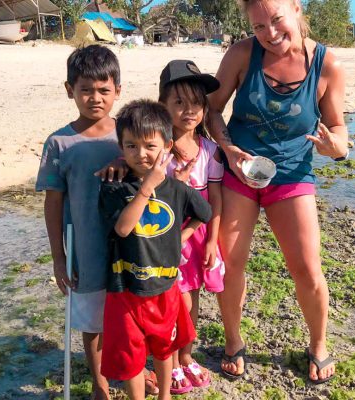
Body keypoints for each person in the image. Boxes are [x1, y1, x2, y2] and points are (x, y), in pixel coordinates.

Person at [207, 0, 348, 384]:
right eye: (258, 27)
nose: (269, 33)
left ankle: (318, 344)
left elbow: (338, 128)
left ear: (297, 9)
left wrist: (336, 147)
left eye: (276, 20)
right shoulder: (240, 55)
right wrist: (230, 150)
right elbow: (212, 110)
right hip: (240, 171)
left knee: (306, 267)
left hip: (292, 174)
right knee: (230, 263)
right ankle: (233, 341)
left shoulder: (327, 65)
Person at [35, 45, 157, 399]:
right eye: (85, 89)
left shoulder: (130, 135)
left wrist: (125, 154)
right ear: (69, 89)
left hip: (134, 245)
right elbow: (53, 202)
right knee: (92, 320)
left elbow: (158, 158)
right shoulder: (59, 143)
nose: (95, 98)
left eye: (104, 90)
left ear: (118, 90)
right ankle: (100, 381)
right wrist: (59, 256)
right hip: (86, 247)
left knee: (135, 312)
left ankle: (135, 367)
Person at [99, 99, 213, 400]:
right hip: (125, 289)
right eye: (131, 146)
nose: (141, 154)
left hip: (165, 287)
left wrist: (182, 236)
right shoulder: (115, 187)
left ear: (167, 144)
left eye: (150, 146)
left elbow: (205, 212)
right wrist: (147, 187)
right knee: (131, 356)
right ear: (121, 147)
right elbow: (123, 228)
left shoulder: (176, 187)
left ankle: (165, 395)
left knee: (165, 348)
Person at [158, 60, 224, 394]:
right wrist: (176, 185)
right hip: (167, 233)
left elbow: (215, 198)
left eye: (196, 104)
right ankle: (166, 361)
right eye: (179, 103)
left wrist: (212, 240)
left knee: (193, 298)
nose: (188, 111)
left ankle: (186, 355)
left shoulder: (210, 150)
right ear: (163, 105)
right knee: (173, 301)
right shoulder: (159, 151)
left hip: (199, 235)